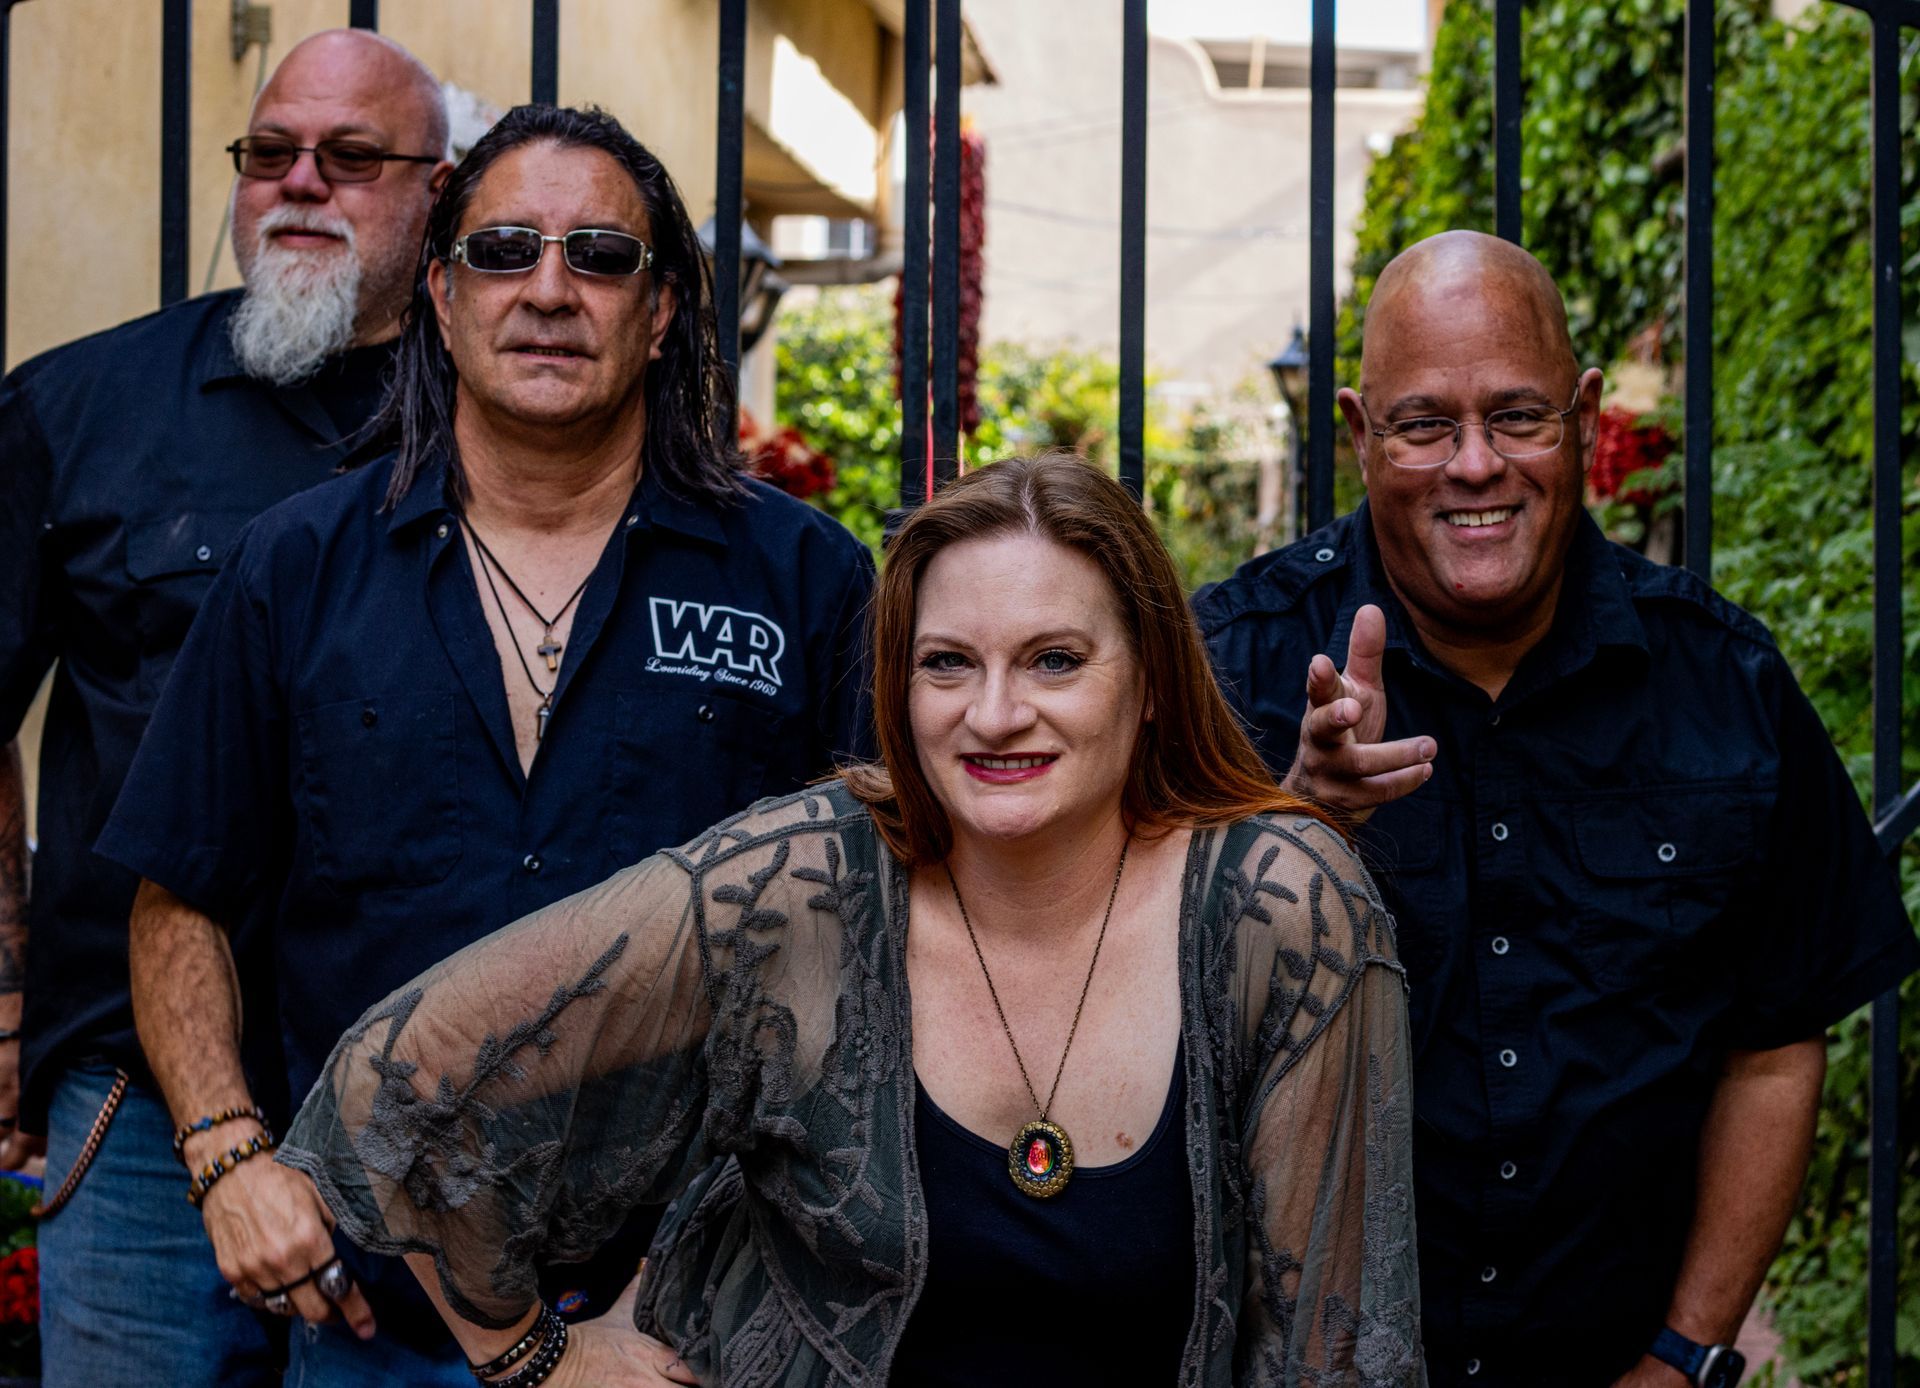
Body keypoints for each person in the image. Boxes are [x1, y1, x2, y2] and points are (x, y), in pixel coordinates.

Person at [275, 452, 1425, 1388]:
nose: (994, 712)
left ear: (1154, 677)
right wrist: (537, 1353)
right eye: (946, 663)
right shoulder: (805, 882)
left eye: (1056, 659)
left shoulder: (1279, 905)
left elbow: (1336, 1347)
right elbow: (402, 1073)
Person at [98, 104, 876, 1386]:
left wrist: (691, 1278)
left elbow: (864, 950)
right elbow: (178, 893)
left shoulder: (803, 577)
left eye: (601, 256)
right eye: (506, 251)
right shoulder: (298, 565)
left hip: (683, 1324)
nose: (551, 291)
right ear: (442, 300)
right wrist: (229, 1153)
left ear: (666, 308)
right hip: (374, 1320)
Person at [1195, 230, 1919, 1388]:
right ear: (1358, 431)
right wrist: (1287, 826)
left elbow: (1777, 1043)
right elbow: (1097, 1001)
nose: (1474, 464)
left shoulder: (1723, 682)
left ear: (1584, 414)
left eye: (1518, 415)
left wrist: (1684, 1353)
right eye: (1425, 422)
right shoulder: (1227, 668)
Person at [0, 29, 451, 1387]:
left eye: (353, 158)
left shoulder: (511, 420)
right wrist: (5, 1014)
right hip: (137, 1106)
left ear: (441, 188)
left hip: (436, 1114)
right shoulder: (78, 408)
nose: (299, 185)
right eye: (269, 155)